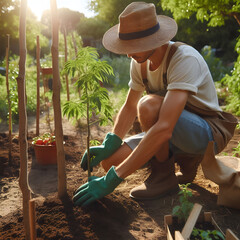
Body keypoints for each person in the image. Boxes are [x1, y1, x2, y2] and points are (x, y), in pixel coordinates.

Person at [73, 2, 237, 207]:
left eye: (134, 47)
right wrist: (111, 141)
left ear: (154, 39)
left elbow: (164, 126)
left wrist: (113, 179)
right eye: (126, 47)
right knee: (110, 161)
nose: (128, 54)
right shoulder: (139, 62)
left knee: (148, 106)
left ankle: (164, 177)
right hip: (170, 131)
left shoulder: (184, 59)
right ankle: (183, 159)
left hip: (206, 133)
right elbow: (130, 105)